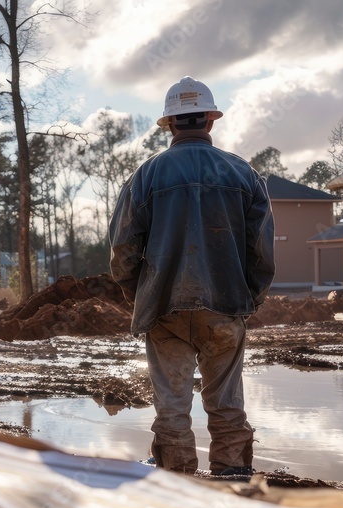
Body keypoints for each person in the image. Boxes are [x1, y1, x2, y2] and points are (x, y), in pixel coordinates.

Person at [108, 76, 275, 476]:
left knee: (171, 405)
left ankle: (176, 478)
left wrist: (142, 294)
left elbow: (122, 250)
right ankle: (233, 476)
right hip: (225, 305)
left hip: (163, 310)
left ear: (169, 125)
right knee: (227, 402)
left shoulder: (145, 176)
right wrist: (247, 299)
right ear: (210, 121)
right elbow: (262, 252)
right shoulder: (244, 175)